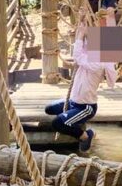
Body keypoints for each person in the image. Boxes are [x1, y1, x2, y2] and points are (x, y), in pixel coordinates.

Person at [45, 21, 118, 151]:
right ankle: (71, 118)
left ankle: (85, 136)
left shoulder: (98, 63)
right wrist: (82, 24)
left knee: (57, 123)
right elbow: (82, 46)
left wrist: (81, 36)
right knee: (49, 109)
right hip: (73, 101)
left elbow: (77, 55)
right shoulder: (90, 57)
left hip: (85, 107)